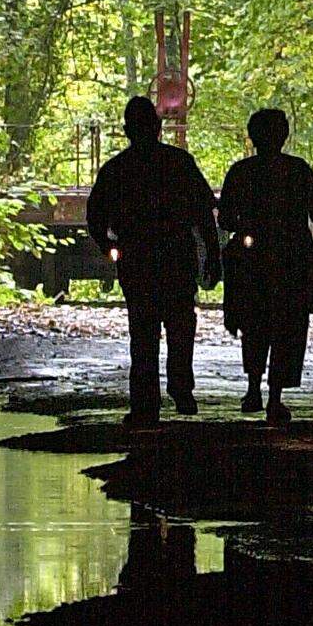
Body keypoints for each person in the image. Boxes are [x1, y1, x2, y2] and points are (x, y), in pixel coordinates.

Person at [86, 95, 220, 428]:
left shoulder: (116, 169)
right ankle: (181, 388)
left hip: (138, 259)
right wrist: (213, 256)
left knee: (143, 332)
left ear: (126, 129)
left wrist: (108, 245)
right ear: (158, 127)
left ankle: (145, 402)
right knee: (180, 327)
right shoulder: (179, 163)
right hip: (176, 256)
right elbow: (204, 213)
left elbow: (95, 216)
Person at [218, 109, 313, 426]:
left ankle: (256, 388)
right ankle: (274, 396)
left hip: (256, 260)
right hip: (291, 259)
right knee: (287, 327)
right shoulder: (298, 171)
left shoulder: (241, 172)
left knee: (255, 324)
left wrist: (246, 228)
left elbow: (224, 218)